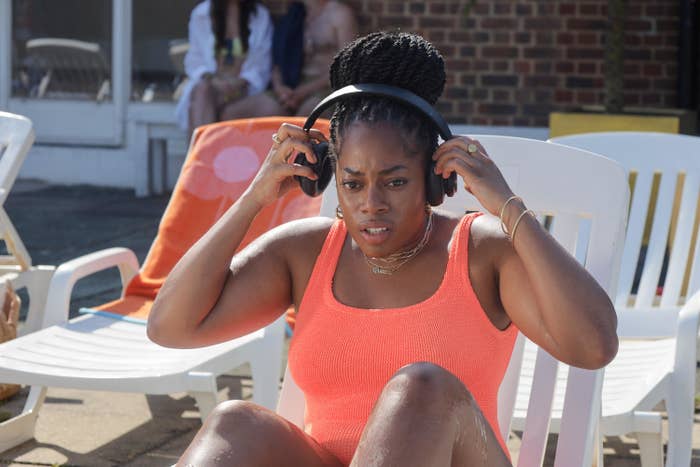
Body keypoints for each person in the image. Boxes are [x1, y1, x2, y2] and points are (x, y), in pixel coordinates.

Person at [148, 31, 619, 467]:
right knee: (236, 422)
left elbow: (593, 345)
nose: (371, 204)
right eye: (353, 184)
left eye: (395, 181)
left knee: (421, 386)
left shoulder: (480, 252)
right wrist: (253, 199)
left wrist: (507, 206)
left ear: (436, 180)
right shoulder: (305, 253)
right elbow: (170, 326)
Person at [230, 0, 357, 118]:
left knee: (304, 119)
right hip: (292, 87)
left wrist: (304, 92)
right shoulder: (295, 15)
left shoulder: (340, 15)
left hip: (325, 88)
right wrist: (280, 88)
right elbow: (277, 62)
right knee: (233, 113)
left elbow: (346, 68)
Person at [174, 0, 273, 136]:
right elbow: (194, 60)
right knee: (202, 91)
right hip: (212, 88)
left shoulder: (260, 16)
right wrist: (214, 81)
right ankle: (202, 153)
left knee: (269, 107)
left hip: (244, 91)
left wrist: (239, 83)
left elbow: (261, 65)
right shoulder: (201, 13)